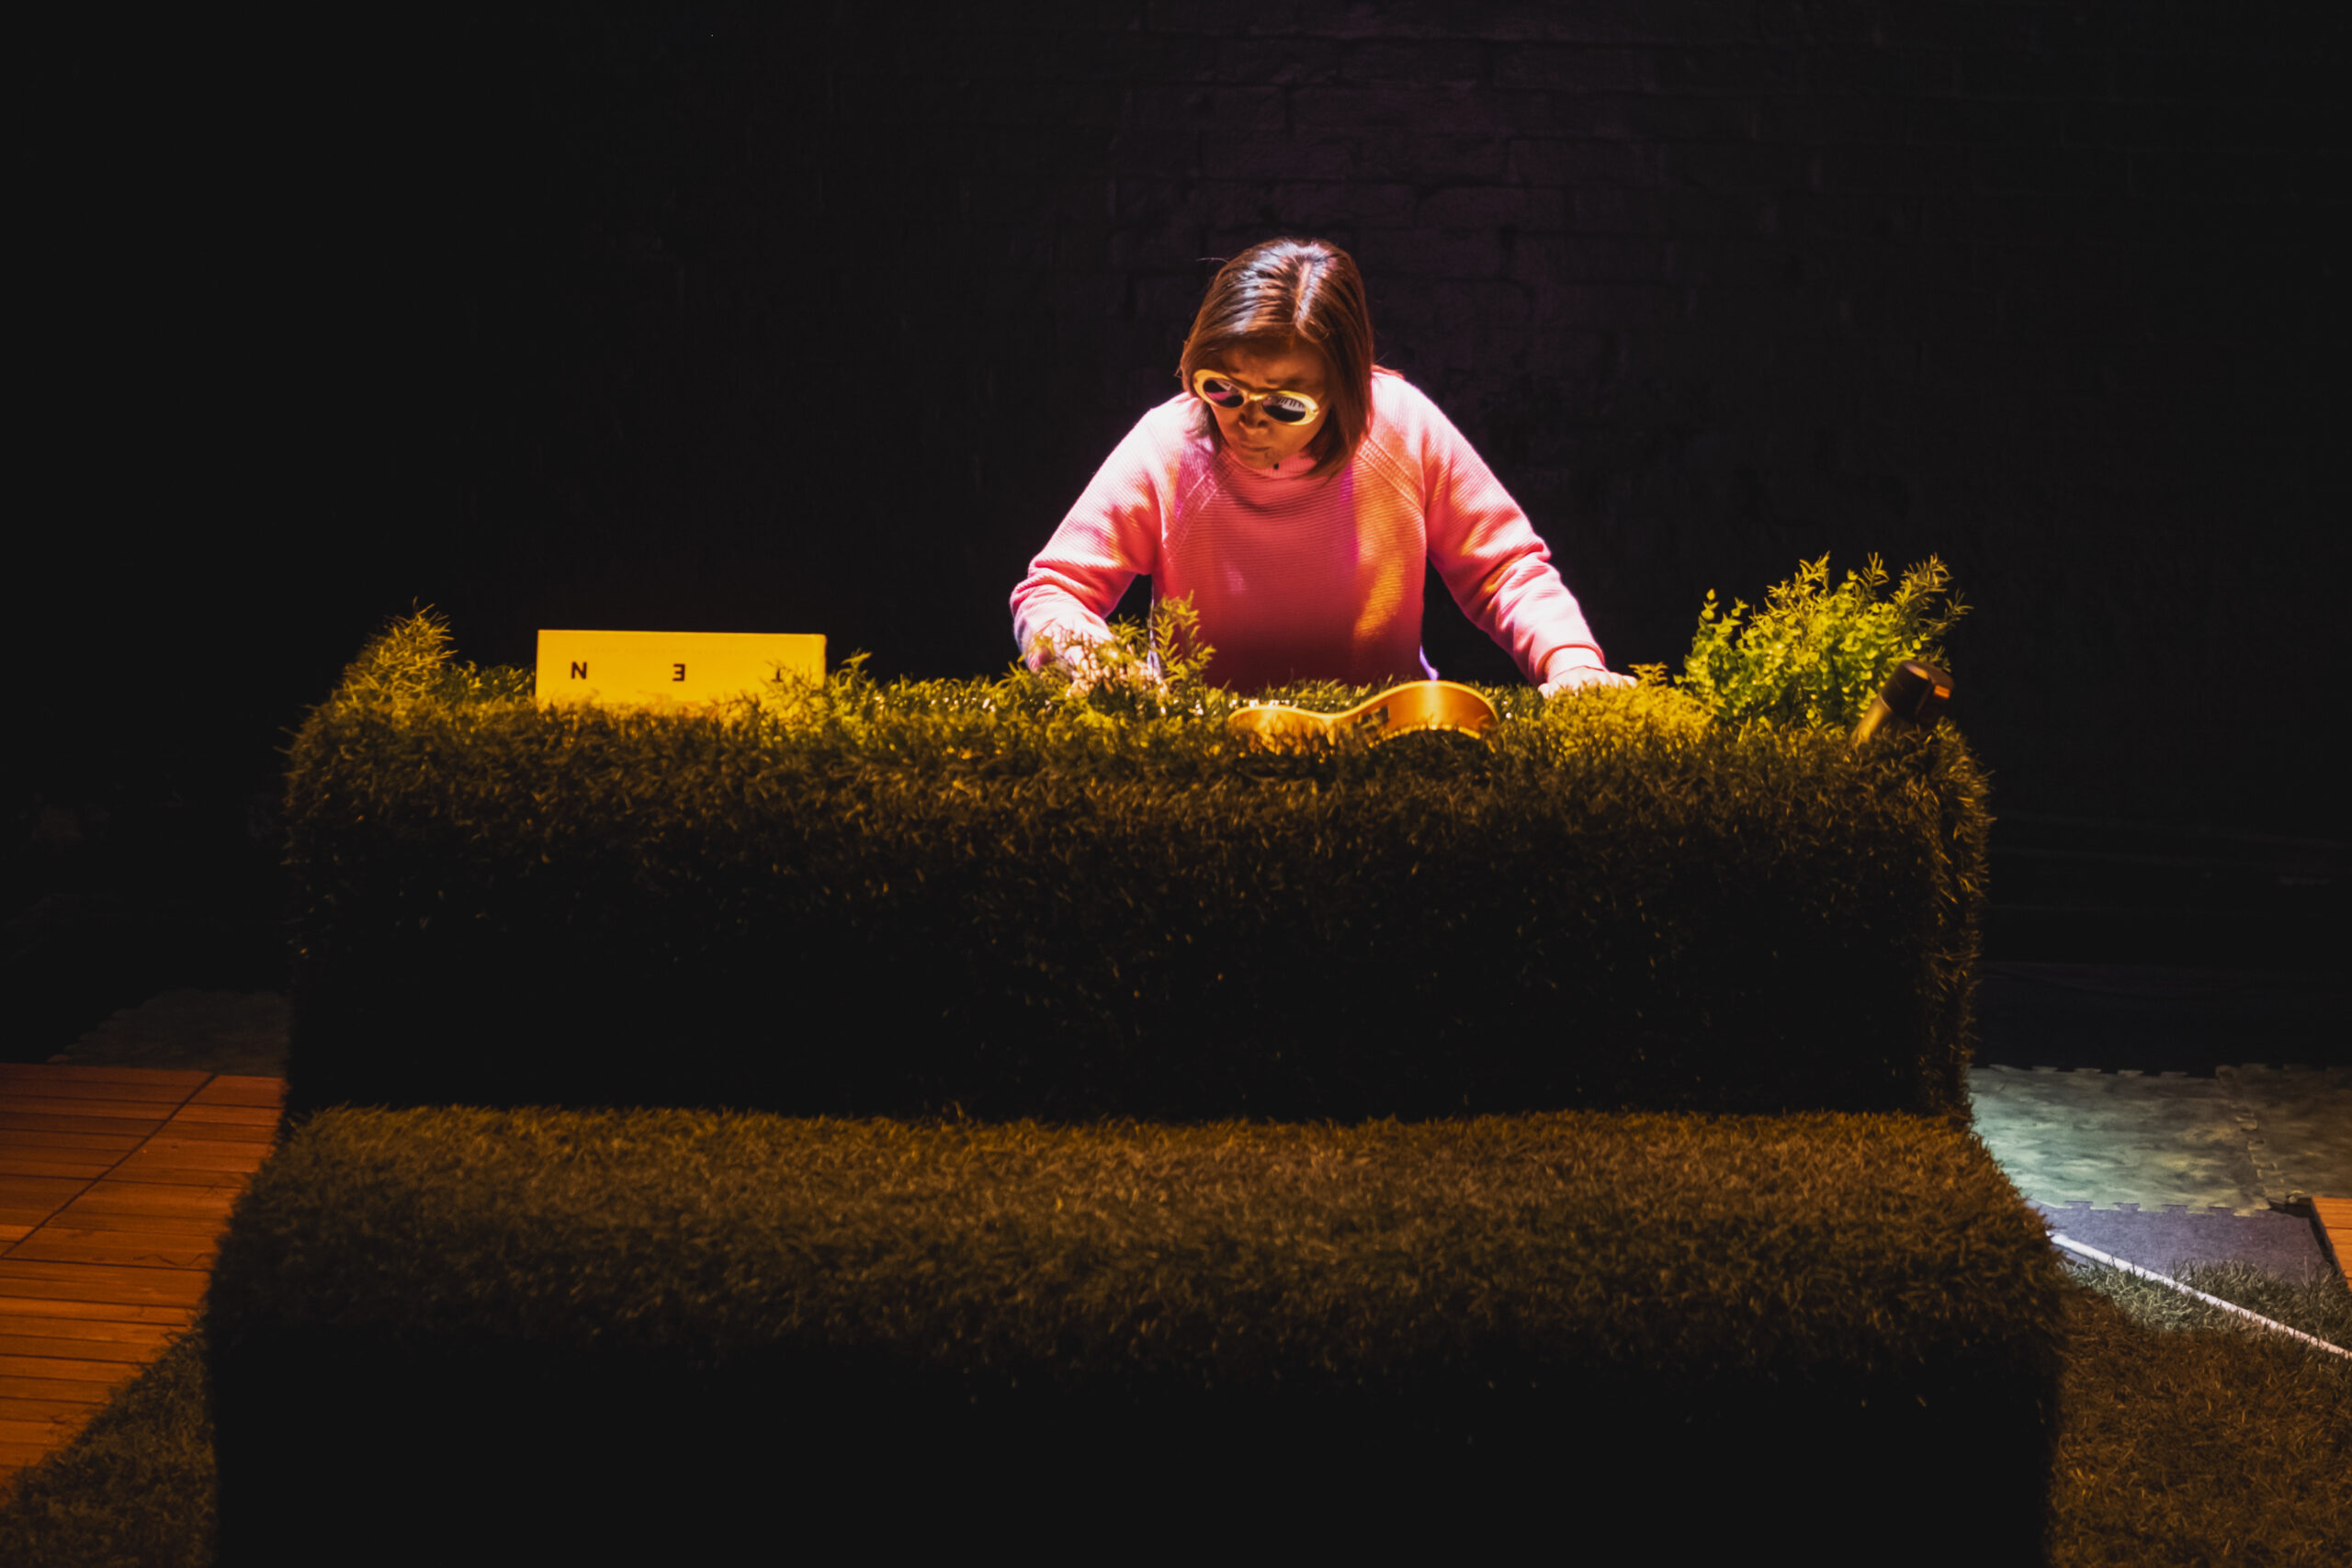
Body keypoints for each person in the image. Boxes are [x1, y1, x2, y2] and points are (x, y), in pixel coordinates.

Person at [1010, 237, 1630, 698]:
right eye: (1223, 388)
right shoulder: (1169, 444)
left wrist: (1571, 662)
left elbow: (1505, 569)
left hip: (1389, 739)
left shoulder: (1402, 426)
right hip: (1204, 753)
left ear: (1345, 388)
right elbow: (1053, 590)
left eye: (1284, 403)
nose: (1248, 420)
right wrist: (1090, 662)